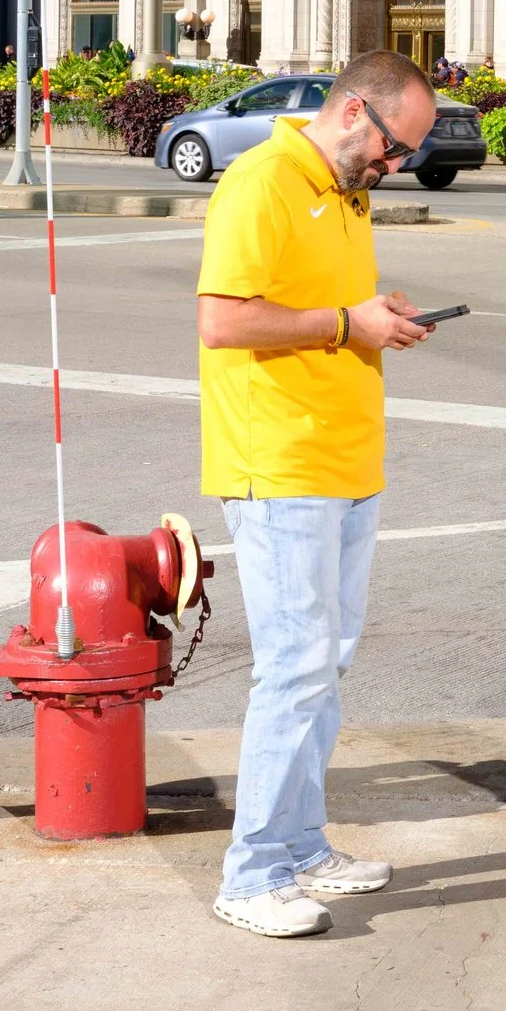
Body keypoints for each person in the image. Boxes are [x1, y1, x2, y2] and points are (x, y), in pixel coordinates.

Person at [196, 47, 441, 938]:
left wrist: (375, 315)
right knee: (294, 667)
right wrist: (348, 322)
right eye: (393, 147)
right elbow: (223, 317)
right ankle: (250, 871)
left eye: (404, 154)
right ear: (351, 113)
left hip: (344, 458)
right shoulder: (262, 179)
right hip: (280, 461)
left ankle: (300, 846)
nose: (396, 164)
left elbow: (326, 309)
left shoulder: (347, 188)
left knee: (324, 664)